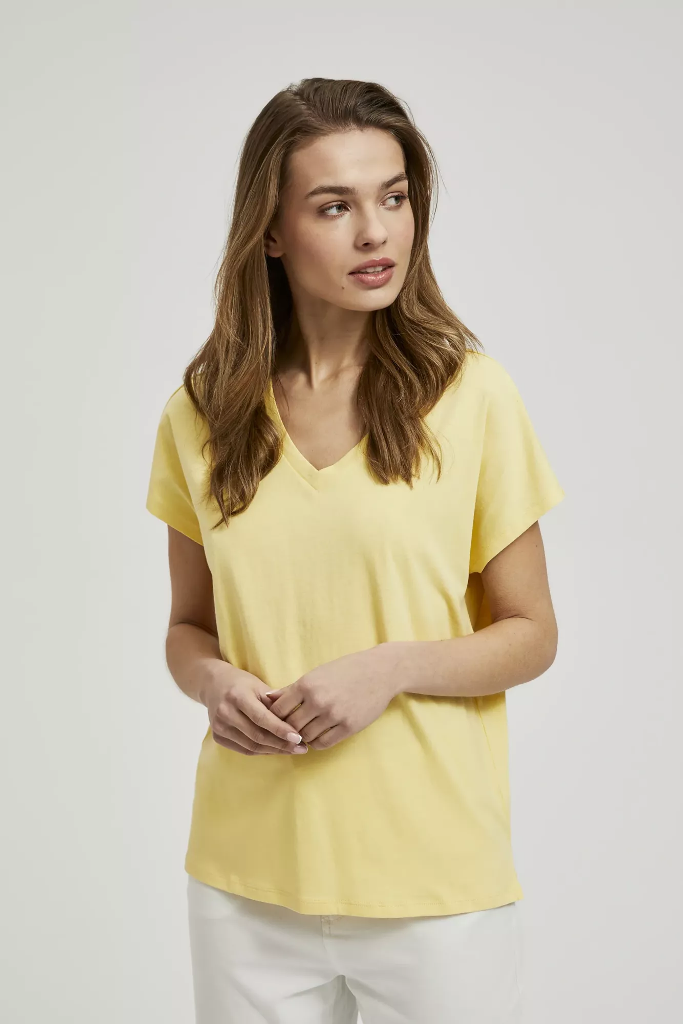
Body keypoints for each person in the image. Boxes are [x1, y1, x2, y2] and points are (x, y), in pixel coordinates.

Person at [145, 77, 565, 1024]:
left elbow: (532, 632)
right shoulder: (201, 413)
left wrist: (390, 669)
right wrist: (212, 682)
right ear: (270, 230)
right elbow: (186, 629)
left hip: (434, 886)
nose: (376, 233)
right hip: (245, 882)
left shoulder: (473, 395)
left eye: (394, 196)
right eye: (334, 206)